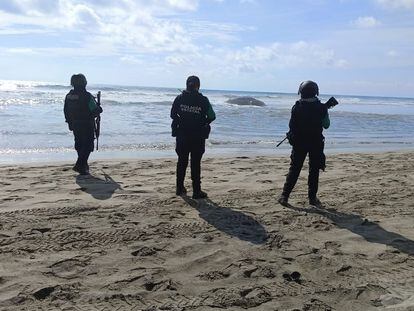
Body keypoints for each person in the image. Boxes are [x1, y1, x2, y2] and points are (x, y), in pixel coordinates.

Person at [278, 80, 330, 207]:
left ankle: (284, 196)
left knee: (294, 169)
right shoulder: (321, 107)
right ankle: (312, 199)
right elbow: (327, 125)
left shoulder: (297, 107)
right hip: (316, 143)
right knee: (314, 171)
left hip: (299, 143)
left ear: (301, 92)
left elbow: (292, 126)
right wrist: (324, 111)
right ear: (316, 92)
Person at [171, 75, 216, 199]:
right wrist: (202, 122)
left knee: (182, 162)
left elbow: (172, 114)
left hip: (182, 135)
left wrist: (183, 120)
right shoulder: (203, 100)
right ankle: (197, 191)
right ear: (198, 86)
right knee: (196, 163)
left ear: (186, 85)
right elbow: (212, 116)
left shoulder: (179, 98)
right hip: (198, 136)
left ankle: (179, 188)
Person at [64, 74, 102, 175]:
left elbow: (65, 111)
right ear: (84, 83)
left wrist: (69, 122)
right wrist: (99, 109)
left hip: (75, 123)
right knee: (88, 145)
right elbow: (95, 110)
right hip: (86, 123)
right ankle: (80, 165)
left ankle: (83, 166)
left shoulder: (69, 96)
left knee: (79, 144)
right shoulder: (87, 96)